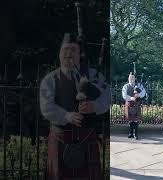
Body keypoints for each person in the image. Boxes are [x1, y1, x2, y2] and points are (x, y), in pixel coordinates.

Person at [40, 33, 110, 180]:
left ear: (80, 54)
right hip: (61, 139)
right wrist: (67, 116)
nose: (68, 53)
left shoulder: (93, 75)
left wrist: (95, 106)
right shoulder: (50, 79)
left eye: (73, 49)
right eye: (65, 49)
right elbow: (46, 107)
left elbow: (107, 96)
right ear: (59, 53)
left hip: (87, 137)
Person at [122, 73, 146, 140]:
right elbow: (124, 95)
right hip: (129, 104)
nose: (131, 79)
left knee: (136, 120)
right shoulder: (125, 86)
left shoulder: (139, 85)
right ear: (128, 79)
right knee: (130, 120)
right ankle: (131, 133)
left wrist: (138, 95)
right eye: (130, 78)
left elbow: (143, 93)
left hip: (137, 104)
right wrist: (131, 98)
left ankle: (136, 134)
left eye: (132, 78)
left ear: (135, 78)